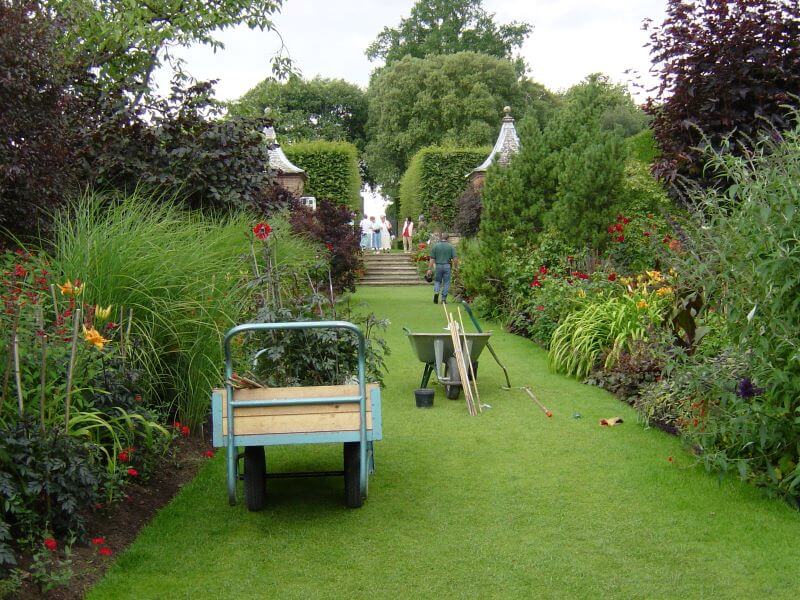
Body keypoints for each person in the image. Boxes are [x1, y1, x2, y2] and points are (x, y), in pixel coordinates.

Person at [427, 232, 457, 304]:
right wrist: (456, 267)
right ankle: (443, 299)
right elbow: (455, 258)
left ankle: (436, 291)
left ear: (441, 238)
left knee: (437, 281)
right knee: (446, 283)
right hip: (447, 266)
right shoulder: (451, 246)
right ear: (448, 239)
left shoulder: (436, 246)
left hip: (438, 266)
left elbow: (432, 259)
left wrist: (429, 269)